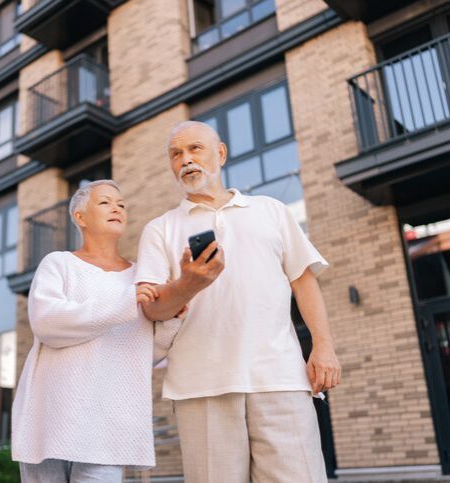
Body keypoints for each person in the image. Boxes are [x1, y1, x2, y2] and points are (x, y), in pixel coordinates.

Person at [135, 121, 341, 482]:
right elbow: (151, 309)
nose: (185, 160)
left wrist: (323, 347)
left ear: (221, 153)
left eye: (194, 149)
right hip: (201, 385)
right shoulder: (160, 229)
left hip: (280, 377)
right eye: (176, 154)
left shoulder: (271, 210)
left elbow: (304, 282)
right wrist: (187, 284)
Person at [11, 179, 183, 482]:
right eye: (105, 202)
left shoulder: (141, 276)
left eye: (121, 204)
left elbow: (143, 353)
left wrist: (172, 320)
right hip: (50, 420)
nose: (116, 208)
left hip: (107, 428)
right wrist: (125, 302)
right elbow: (48, 323)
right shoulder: (58, 264)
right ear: (80, 217)